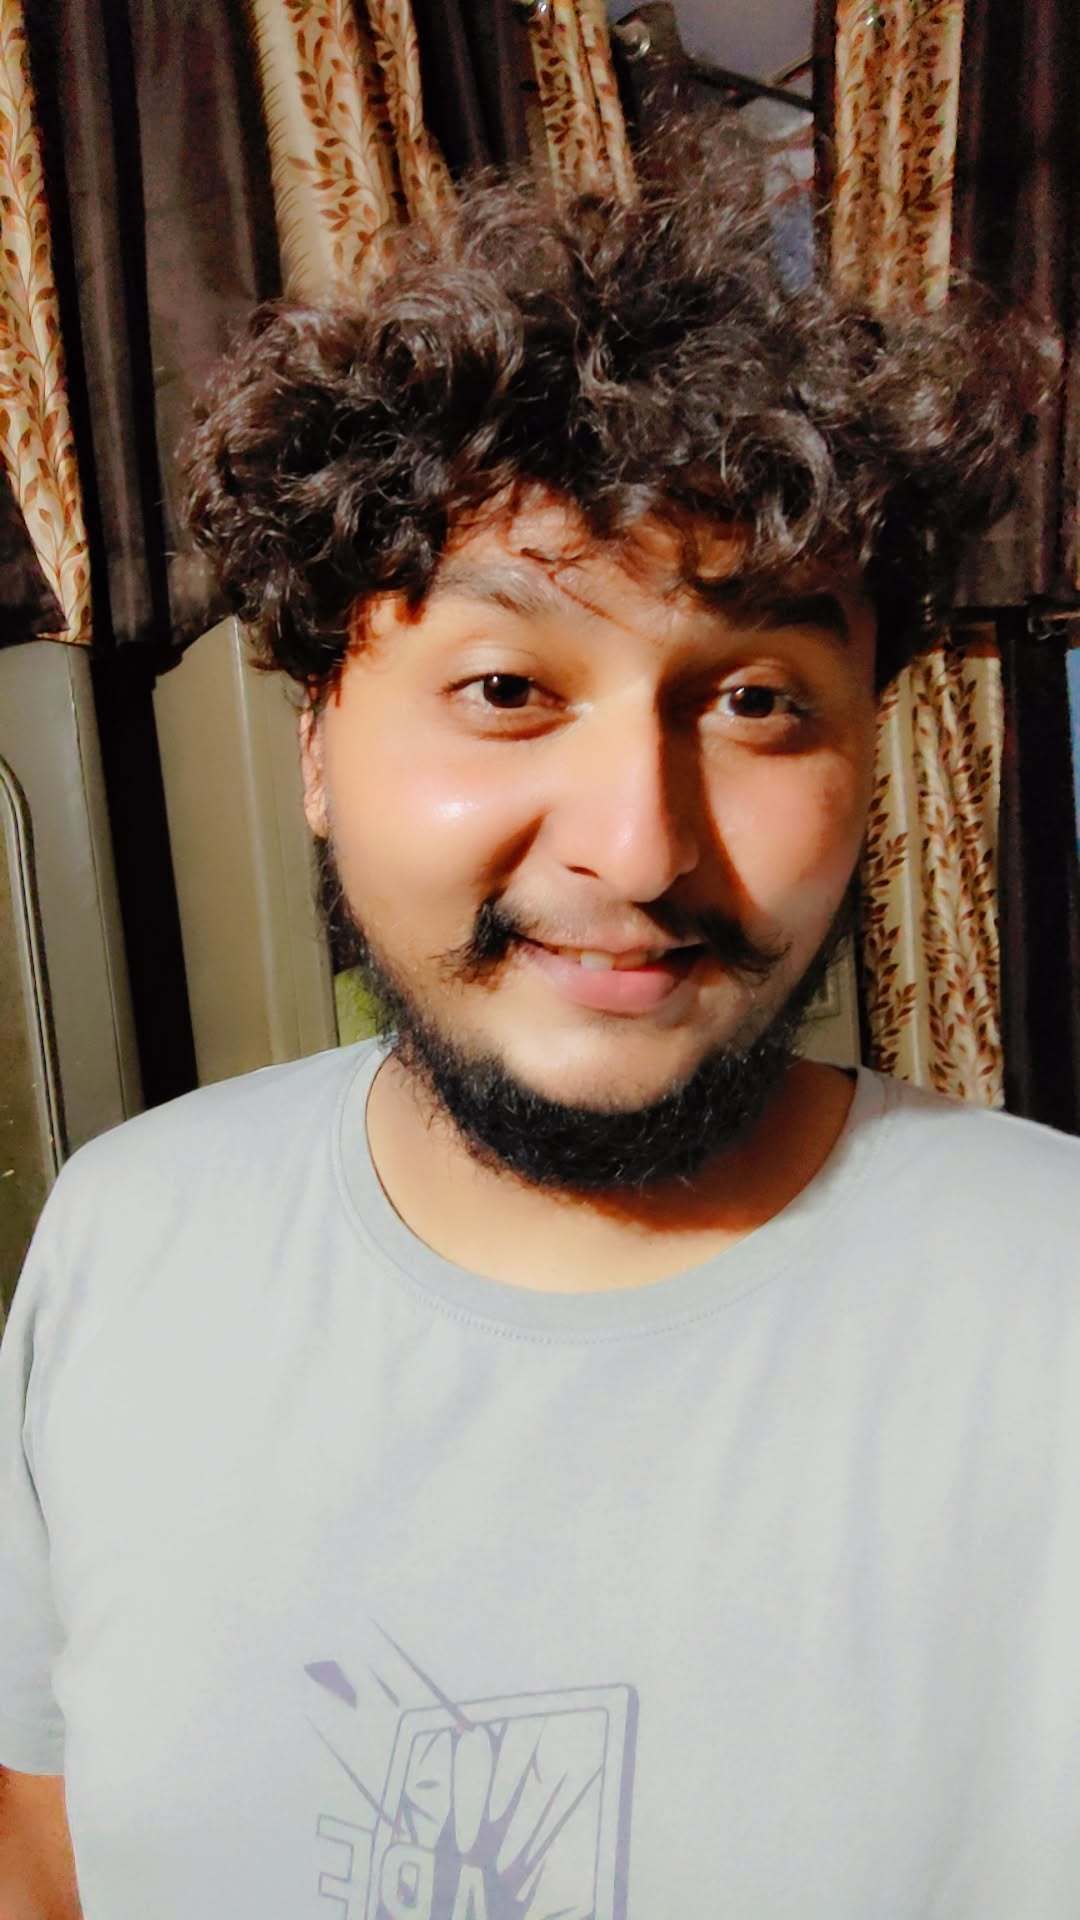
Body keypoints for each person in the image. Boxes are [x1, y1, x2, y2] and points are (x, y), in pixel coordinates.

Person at [1, 126, 1077, 1920]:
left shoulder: (1052, 1305)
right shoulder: (126, 1243)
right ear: (319, 748)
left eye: (757, 701)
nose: (637, 849)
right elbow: (44, 1851)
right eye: (506, 686)